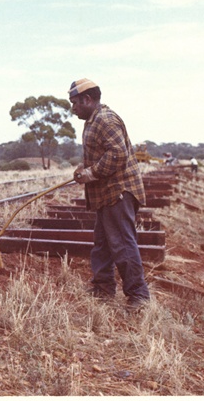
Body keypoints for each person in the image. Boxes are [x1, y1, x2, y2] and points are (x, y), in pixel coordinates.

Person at [68, 78, 150, 309]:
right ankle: (103, 288)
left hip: (119, 192)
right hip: (107, 194)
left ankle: (139, 297)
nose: (73, 109)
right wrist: (83, 168)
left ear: (88, 99)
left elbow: (117, 154)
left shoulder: (105, 119)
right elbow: (103, 152)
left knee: (123, 244)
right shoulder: (93, 120)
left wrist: (91, 173)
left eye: (75, 103)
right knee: (102, 243)